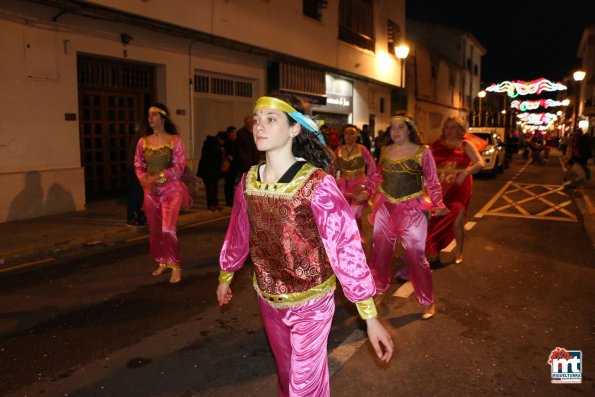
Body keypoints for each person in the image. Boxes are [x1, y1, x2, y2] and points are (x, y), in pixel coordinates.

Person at [216, 95, 393, 397]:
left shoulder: (317, 183)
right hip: (268, 296)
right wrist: (226, 275)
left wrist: (369, 315)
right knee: (286, 377)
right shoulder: (248, 182)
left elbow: (345, 247)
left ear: (294, 129)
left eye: (271, 119)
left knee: (304, 387)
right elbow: (238, 232)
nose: (260, 126)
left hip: (311, 302)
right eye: (257, 119)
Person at [355, 113, 447, 320]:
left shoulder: (423, 152)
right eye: (392, 127)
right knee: (379, 251)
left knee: (416, 254)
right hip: (386, 207)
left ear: (409, 130)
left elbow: (432, 181)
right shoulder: (386, 150)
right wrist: (366, 192)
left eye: (400, 127)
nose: (395, 131)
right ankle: (379, 288)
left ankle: (427, 300)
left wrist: (438, 203)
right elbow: (377, 175)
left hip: (413, 209)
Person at [134, 103, 192, 284]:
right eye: (149, 116)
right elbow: (138, 165)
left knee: (168, 228)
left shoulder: (175, 140)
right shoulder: (143, 141)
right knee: (155, 230)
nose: (150, 119)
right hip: (151, 191)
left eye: (154, 115)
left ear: (163, 118)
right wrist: (144, 179)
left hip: (171, 190)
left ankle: (175, 265)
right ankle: (162, 261)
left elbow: (179, 166)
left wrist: (159, 176)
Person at [425, 117, 485, 267]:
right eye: (447, 127)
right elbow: (426, 162)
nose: (450, 131)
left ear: (460, 130)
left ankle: (459, 250)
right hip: (439, 187)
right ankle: (434, 251)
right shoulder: (437, 144)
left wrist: (466, 172)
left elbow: (480, 163)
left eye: (454, 128)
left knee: (456, 220)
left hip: (459, 185)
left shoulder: (466, 144)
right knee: (436, 219)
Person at [334, 124, 376, 234]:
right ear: (343, 135)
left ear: (356, 136)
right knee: (343, 213)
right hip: (343, 184)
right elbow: (333, 167)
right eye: (346, 133)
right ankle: (345, 238)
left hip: (359, 184)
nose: (349, 136)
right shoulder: (339, 150)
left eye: (352, 133)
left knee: (355, 214)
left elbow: (372, 167)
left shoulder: (362, 149)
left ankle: (357, 238)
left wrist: (368, 183)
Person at [196, 131, 226, 211]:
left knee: (214, 188)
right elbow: (213, 154)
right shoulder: (210, 144)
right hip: (208, 170)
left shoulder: (216, 145)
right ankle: (211, 205)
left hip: (214, 170)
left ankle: (215, 204)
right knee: (210, 188)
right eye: (222, 141)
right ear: (219, 138)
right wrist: (220, 151)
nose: (223, 143)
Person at [126, 127, 147, 226]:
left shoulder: (141, 134)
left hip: (136, 167)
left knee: (139, 193)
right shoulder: (143, 136)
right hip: (136, 168)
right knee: (136, 193)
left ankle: (140, 216)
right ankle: (132, 216)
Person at [223, 125, 239, 206]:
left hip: (233, 167)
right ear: (230, 134)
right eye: (234, 133)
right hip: (229, 168)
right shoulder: (228, 144)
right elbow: (230, 155)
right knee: (229, 185)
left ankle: (231, 200)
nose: (236, 134)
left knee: (231, 184)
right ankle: (229, 201)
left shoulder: (235, 143)